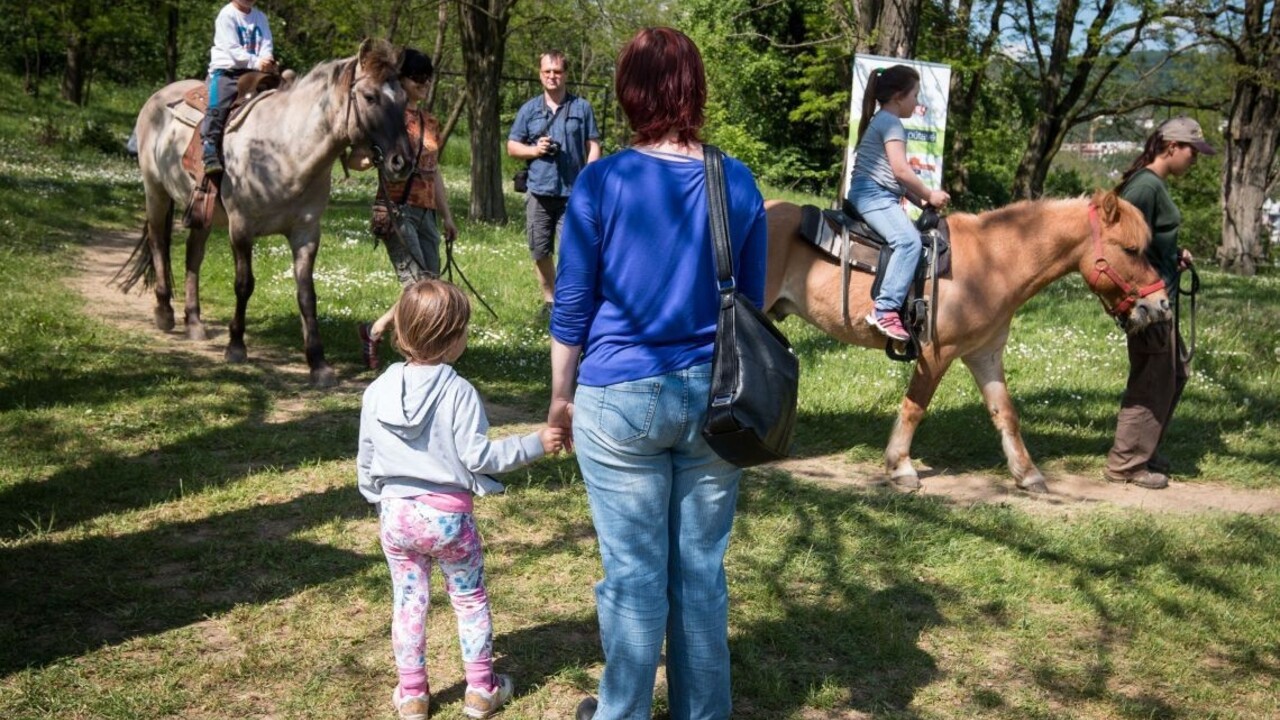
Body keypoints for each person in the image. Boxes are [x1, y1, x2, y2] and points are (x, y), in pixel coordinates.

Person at [548, 27, 767, 720]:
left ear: (631, 92)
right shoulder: (735, 179)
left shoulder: (603, 179)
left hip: (618, 397)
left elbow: (573, 305)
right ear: (694, 89)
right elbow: (751, 303)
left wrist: (560, 397)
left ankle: (623, 713)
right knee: (700, 574)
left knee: (636, 575)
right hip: (715, 397)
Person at [357, 279, 566, 720]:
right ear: (455, 340)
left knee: (408, 601)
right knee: (468, 599)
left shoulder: (375, 392)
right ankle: (480, 690)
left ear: (401, 333)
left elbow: (367, 456)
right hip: (448, 519)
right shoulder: (459, 392)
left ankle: (412, 695)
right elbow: (480, 456)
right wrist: (535, 443)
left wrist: (375, 495)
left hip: (396, 516)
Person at [1104, 117, 1213, 490]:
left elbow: (1146, 240)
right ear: (1171, 147)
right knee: (1152, 378)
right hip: (1147, 301)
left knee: (1174, 373)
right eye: (1192, 152)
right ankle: (1126, 464)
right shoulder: (1145, 187)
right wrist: (1135, 297)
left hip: (1158, 296)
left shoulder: (1152, 186)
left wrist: (1172, 253)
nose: (1195, 160)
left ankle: (1143, 450)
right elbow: (1118, 243)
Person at [355, 48, 459, 371]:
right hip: (395, 209)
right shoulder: (388, 117)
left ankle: (375, 330)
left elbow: (434, 172)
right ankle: (418, 355)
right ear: (401, 79)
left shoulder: (430, 122)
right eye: (417, 78)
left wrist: (447, 217)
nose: (424, 83)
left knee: (433, 288)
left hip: (426, 213)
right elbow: (354, 160)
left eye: (428, 78)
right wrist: (375, 158)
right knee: (418, 289)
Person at [845, 64, 950, 342]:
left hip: (874, 194)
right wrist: (930, 194)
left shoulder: (882, 119)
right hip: (873, 196)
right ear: (898, 96)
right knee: (909, 242)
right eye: (915, 95)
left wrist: (920, 199)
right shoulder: (891, 123)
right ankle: (886, 309)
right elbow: (901, 170)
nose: (918, 102)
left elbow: (897, 179)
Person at [506, 50, 601, 315]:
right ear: (540, 74)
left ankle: (575, 302)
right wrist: (535, 150)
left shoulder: (582, 108)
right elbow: (512, 146)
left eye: (557, 71)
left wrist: (588, 178)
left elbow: (593, 145)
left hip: (574, 193)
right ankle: (551, 301)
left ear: (566, 75)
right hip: (539, 191)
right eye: (547, 71)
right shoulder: (530, 109)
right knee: (539, 249)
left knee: (574, 251)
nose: (552, 76)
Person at [201, 0, 276, 176]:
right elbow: (232, 49)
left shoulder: (260, 17)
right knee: (219, 104)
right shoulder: (227, 15)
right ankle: (209, 147)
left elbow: (266, 43)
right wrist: (257, 62)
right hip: (229, 71)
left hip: (255, 70)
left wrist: (267, 59)